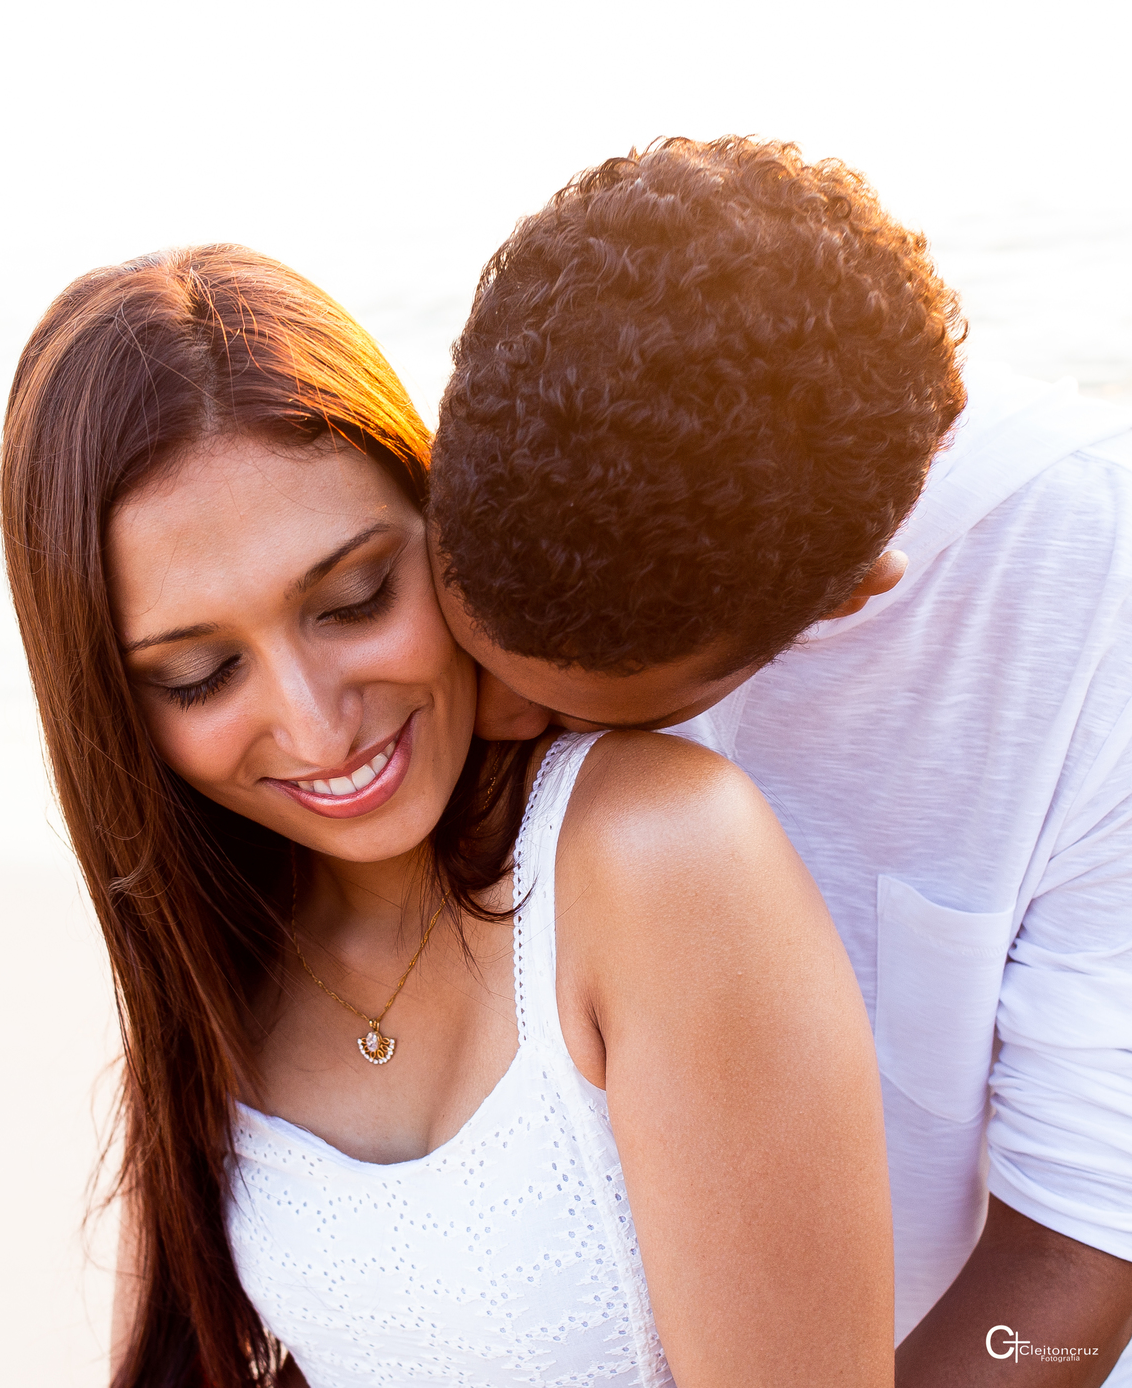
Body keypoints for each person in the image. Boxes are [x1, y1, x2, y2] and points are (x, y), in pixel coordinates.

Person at [0, 245, 893, 1388]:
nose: (320, 728)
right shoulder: (211, 975)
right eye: (200, 675)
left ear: (443, 522)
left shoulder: (654, 854)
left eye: (355, 598)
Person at [429, 137, 1132, 1385]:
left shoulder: (1094, 593)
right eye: (476, 651)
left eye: (561, 710)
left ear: (856, 596)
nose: (486, 727)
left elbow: (1087, 1254)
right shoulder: (527, 451)